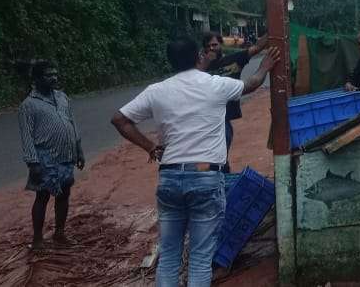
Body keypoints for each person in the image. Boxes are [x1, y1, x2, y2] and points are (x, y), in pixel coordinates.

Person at [110, 37, 278, 287]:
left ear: (170, 61)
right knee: (200, 259)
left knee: (169, 257)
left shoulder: (156, 91)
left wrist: (150, 147)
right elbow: (252, 83)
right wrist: (265, 65)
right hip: (205, 178)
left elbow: (119, 119)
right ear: (199, 57)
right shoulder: (214, 84)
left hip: (169, 178)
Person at [19, 60, 85, 251]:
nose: (54, 78)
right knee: (42, 197)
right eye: (48, 75)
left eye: (55, 74)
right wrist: (33, 163)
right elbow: (26, 136)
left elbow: (72, 122)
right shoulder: (28, 105)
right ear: (37, 79)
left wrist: (79, 149)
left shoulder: (62, 97)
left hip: (66, 155)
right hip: (44, 158)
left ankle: (60, 233)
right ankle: (37, 240)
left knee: (64, 194)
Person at [201, 31, 269, 173]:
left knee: (220, 155)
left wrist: (272, 31)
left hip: (224, 119)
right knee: (217, 157)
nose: (212, 48)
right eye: (208, 46)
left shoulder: (233, 60)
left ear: (221, 44)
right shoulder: (201, 69)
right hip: (206, 119)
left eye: (214, 45)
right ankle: (218, 176)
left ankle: (219, 175)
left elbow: (257, 48)